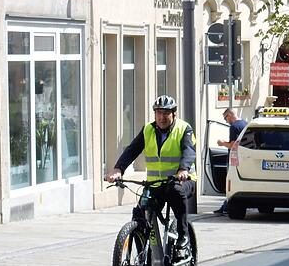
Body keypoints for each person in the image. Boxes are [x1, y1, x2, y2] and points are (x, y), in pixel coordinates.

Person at [105, 95, 196, 248]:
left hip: (182, 180)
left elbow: (189, 151)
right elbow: (132, 150)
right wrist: (118, 169)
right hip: (155, 185)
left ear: (174, 114)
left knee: (176, 191)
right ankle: (144, 262)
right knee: (140, 215)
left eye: (166, 113)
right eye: (158, 113)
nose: (162, 117)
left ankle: (183, 234)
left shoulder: (184, 129)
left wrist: (183, 169)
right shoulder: (148, 129)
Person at [214, 108, 247, 214]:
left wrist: (222, 143)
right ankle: (225, 206)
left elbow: (233, 145)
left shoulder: (234, 127)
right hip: (244, 157)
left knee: (230, 184)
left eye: (225, 117)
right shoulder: (245, 123)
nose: (225, 120)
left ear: (230, 115)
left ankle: (227, 206)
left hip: (234, 159)